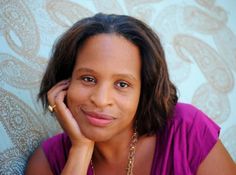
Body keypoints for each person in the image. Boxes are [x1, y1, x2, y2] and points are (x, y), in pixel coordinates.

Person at [25, 13, 236, 175]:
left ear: (144, 92)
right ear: (64, 84)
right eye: (88, 79)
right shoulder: (46, 162)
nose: (101, 99)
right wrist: (80, 150)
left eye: (122, 84)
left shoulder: (187, 131)